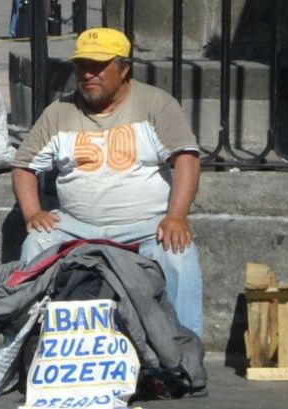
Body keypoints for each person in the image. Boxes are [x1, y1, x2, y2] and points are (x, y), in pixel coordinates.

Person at [11, 27, 204, 337]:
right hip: (77, 224)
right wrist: (33, 213)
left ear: (124, 68)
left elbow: (186, 158)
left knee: (178, 254)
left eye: (98, 66)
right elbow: (24, 165)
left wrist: (176, 216)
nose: (89, 74)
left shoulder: (156, 104)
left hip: (144, 225)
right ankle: (26, 344)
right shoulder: (58, 113)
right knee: (36, 243)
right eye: (81, 66)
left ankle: (184, 355)